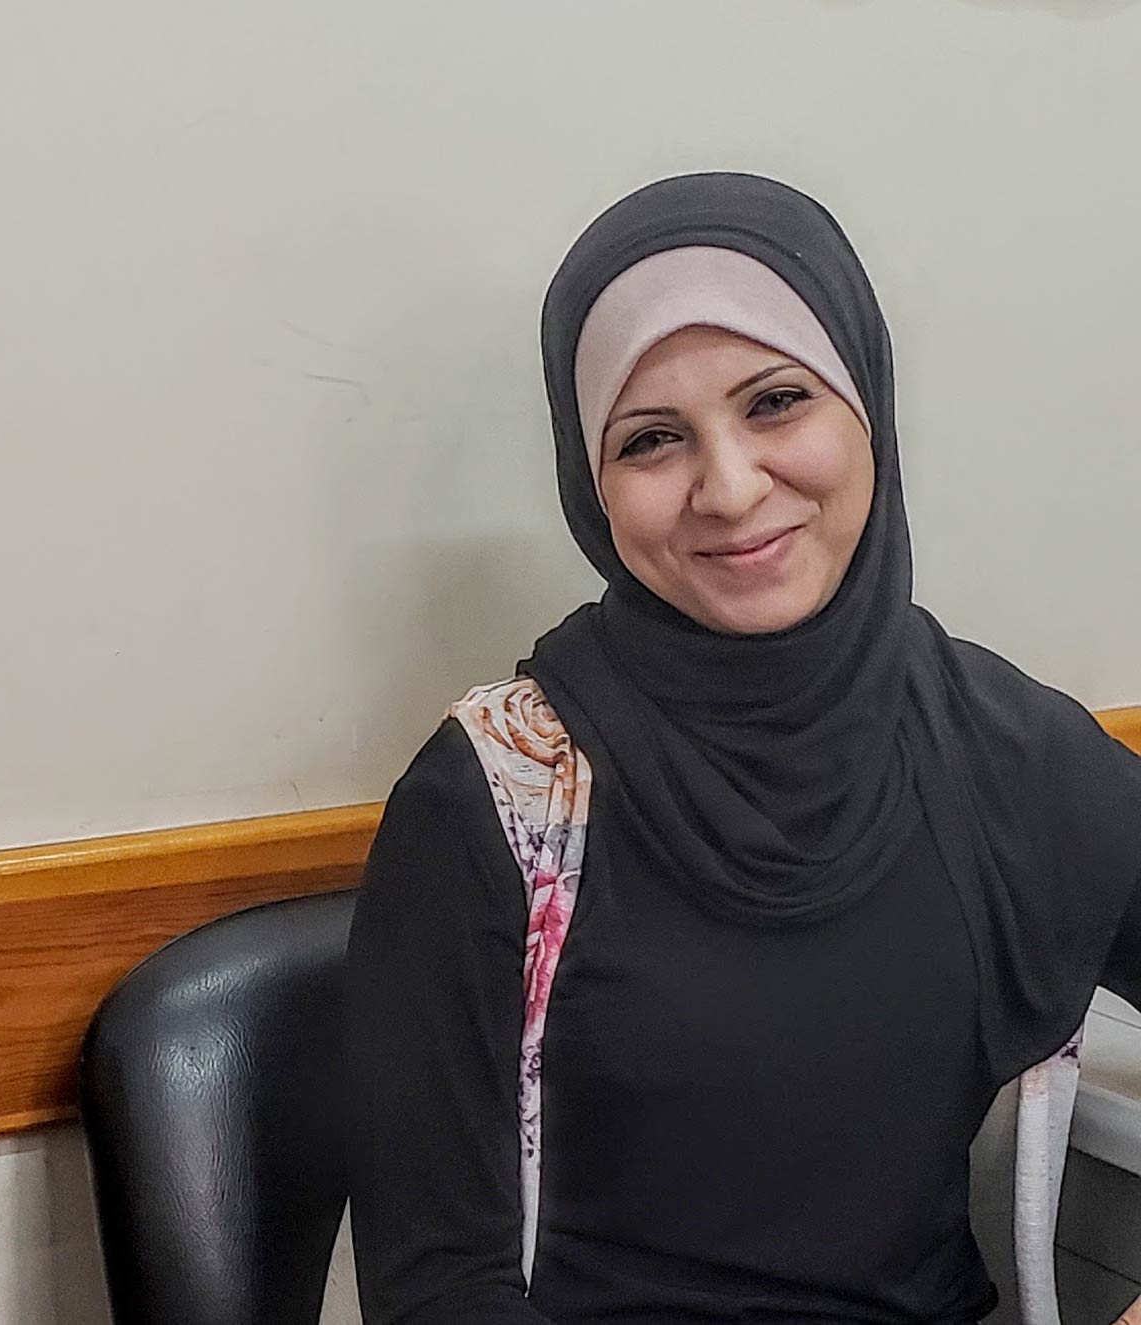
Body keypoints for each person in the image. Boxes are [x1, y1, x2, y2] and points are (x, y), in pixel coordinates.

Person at [344, 174, 1141, 1323]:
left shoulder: (998, 750)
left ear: (861, 401)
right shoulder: (496, 797)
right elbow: (435, 1289)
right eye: (652, 439)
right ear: (592, 485)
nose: (726, 487)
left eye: (773, 402)